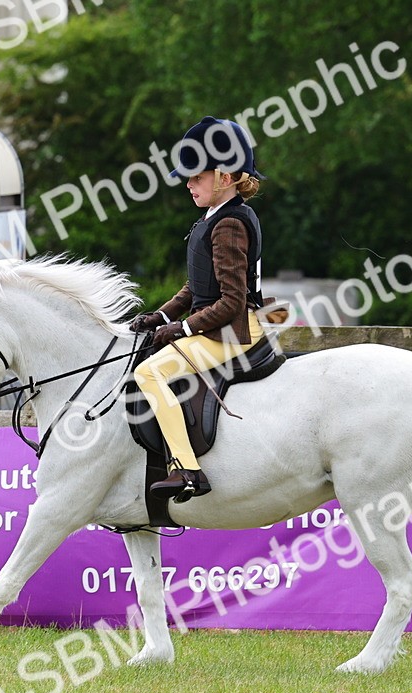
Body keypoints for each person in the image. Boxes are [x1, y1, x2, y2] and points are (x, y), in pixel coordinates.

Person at [130, 116, 268, 501]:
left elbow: (231, 301)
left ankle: (187, 468)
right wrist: (161, 315)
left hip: (230, 331)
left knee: (150, 374)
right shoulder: (214, 218)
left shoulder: (229, 225)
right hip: (217, 325)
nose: (188, 183)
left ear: (225, 176)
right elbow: (197, 287)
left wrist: (183, 329)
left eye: (196, 177)